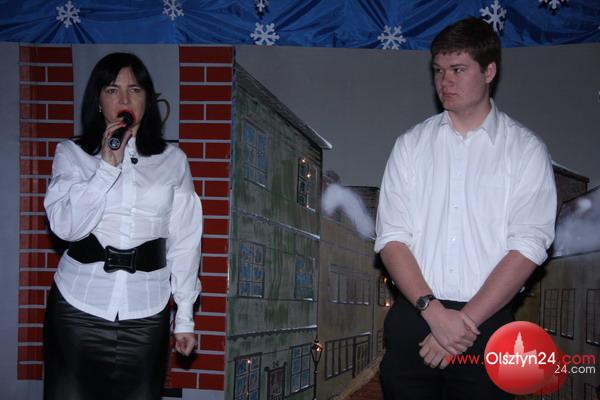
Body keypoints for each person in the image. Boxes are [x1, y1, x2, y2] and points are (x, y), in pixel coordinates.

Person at [375, 17, 557, 399]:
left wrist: (463, 323)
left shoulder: (525, 150)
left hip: (487, 324)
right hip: (415, 317)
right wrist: (434, 314)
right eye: (438, 71)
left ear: (489, 71)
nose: (445, 81)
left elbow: (528, 245)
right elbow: (391, 238)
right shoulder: (410, 146)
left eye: (458, 69)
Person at [43, 52, 203, 400]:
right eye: (113, 90)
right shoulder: (71, 154)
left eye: (135, 90)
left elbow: (185, 240)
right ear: (99, 100)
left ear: (147, 100)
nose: (125, 99)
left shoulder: (173, 160)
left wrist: (185, 317)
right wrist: (106, 167)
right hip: (77, 309)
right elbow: (65, 228)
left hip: (146, 312)